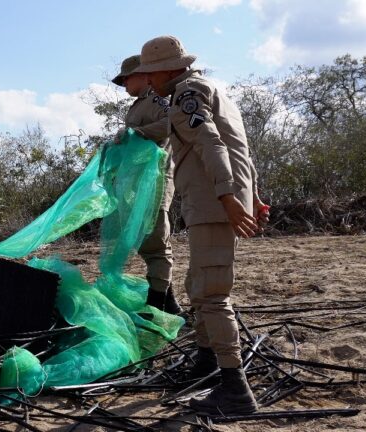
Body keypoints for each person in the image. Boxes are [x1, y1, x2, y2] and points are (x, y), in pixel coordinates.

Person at [133, 35, 270, 415]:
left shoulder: (186, 94)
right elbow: (239, 146)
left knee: (211, 295)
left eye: (150, 73)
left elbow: (212, 143)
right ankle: (208, 366)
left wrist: (228, 196)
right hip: (218, 199)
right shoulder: (212, 88)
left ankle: (236, 390)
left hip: (212, 202)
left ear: (167, 70)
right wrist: (251, 195)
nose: (148, 81)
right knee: (198, 285)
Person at [110, 54, 182, 315]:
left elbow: (172, 123)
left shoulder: (156, 100)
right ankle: (170, 303)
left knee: (156, 244)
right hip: (141, 183)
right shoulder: (140, 103)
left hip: (155, 181)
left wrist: (138, 133)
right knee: (147, 242)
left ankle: (156, 305)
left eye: (127, 78)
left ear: (144, 75)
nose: (124, 84)